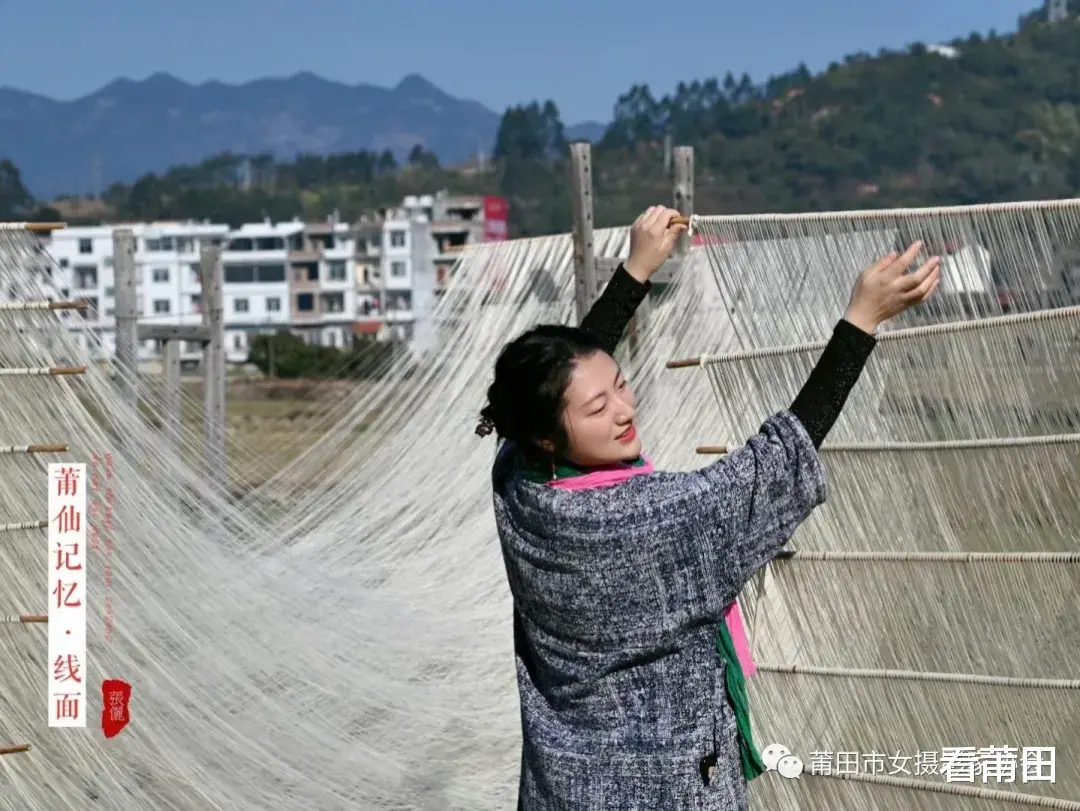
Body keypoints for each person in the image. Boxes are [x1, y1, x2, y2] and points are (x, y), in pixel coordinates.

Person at [476, 205, 941, 810]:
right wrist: (861, 321)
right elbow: (769, 469)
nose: (623, 409)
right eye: (598, 410)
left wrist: (636, 270)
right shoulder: (645, 520)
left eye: (621, 384)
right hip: (663, 790)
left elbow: (567, 378)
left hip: (564, 786)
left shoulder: (519, 481)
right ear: (547, 434)